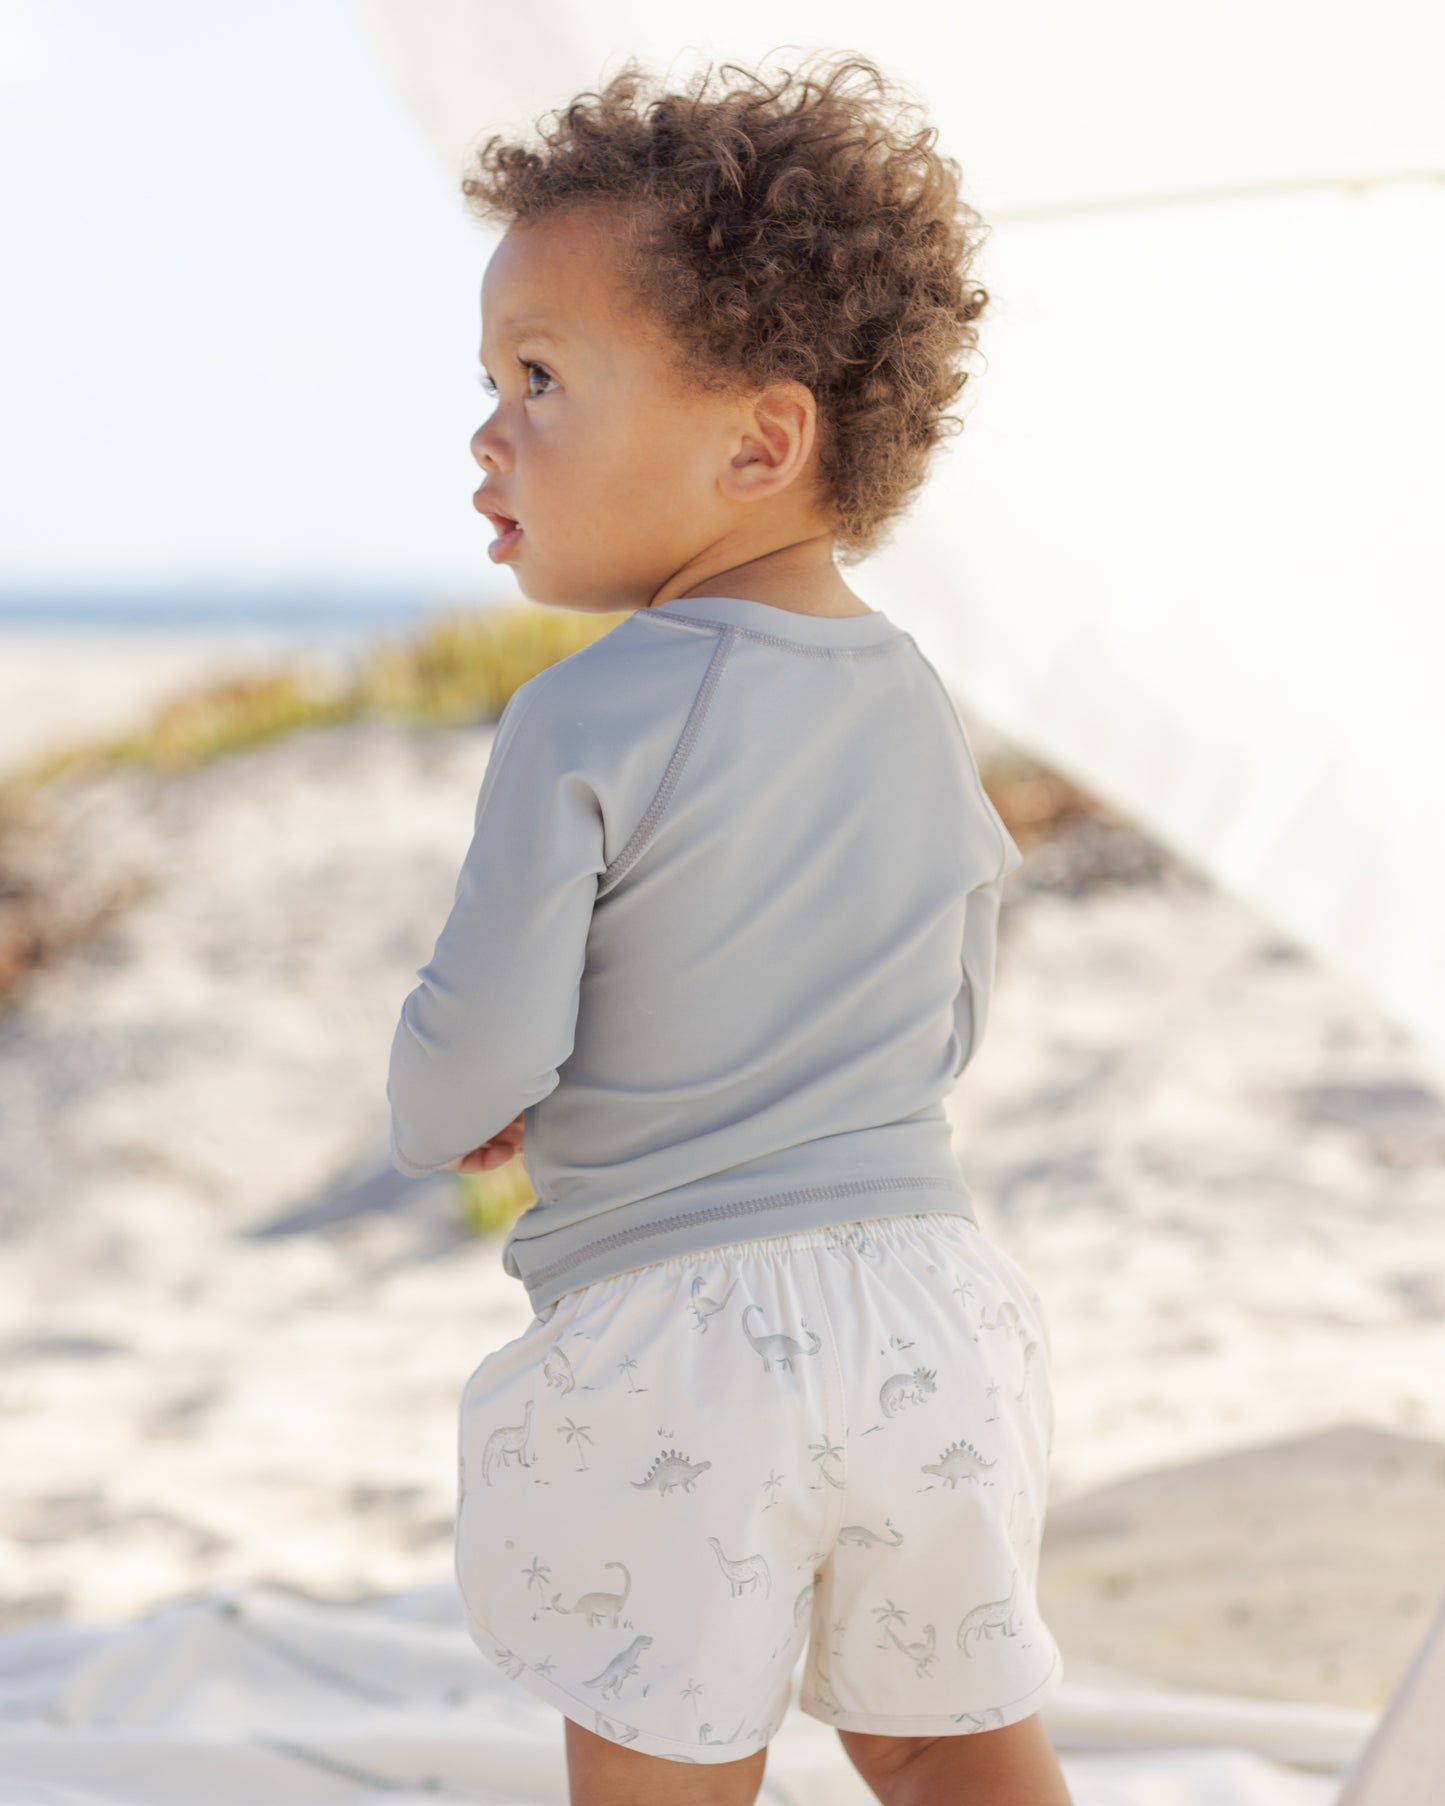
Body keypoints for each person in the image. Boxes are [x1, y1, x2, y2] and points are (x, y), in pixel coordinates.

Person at [387, 52, 1074, 1806]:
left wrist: (452, 1104)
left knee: (666, 1761)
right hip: (930, 1305)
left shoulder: (588, 715)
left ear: (760, 440)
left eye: (537, 377)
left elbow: (467, 1056)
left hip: (678, 1338)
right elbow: (948, 1011)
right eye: (486, 378)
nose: (485, 430)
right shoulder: (916, 697)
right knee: (940, 1741)